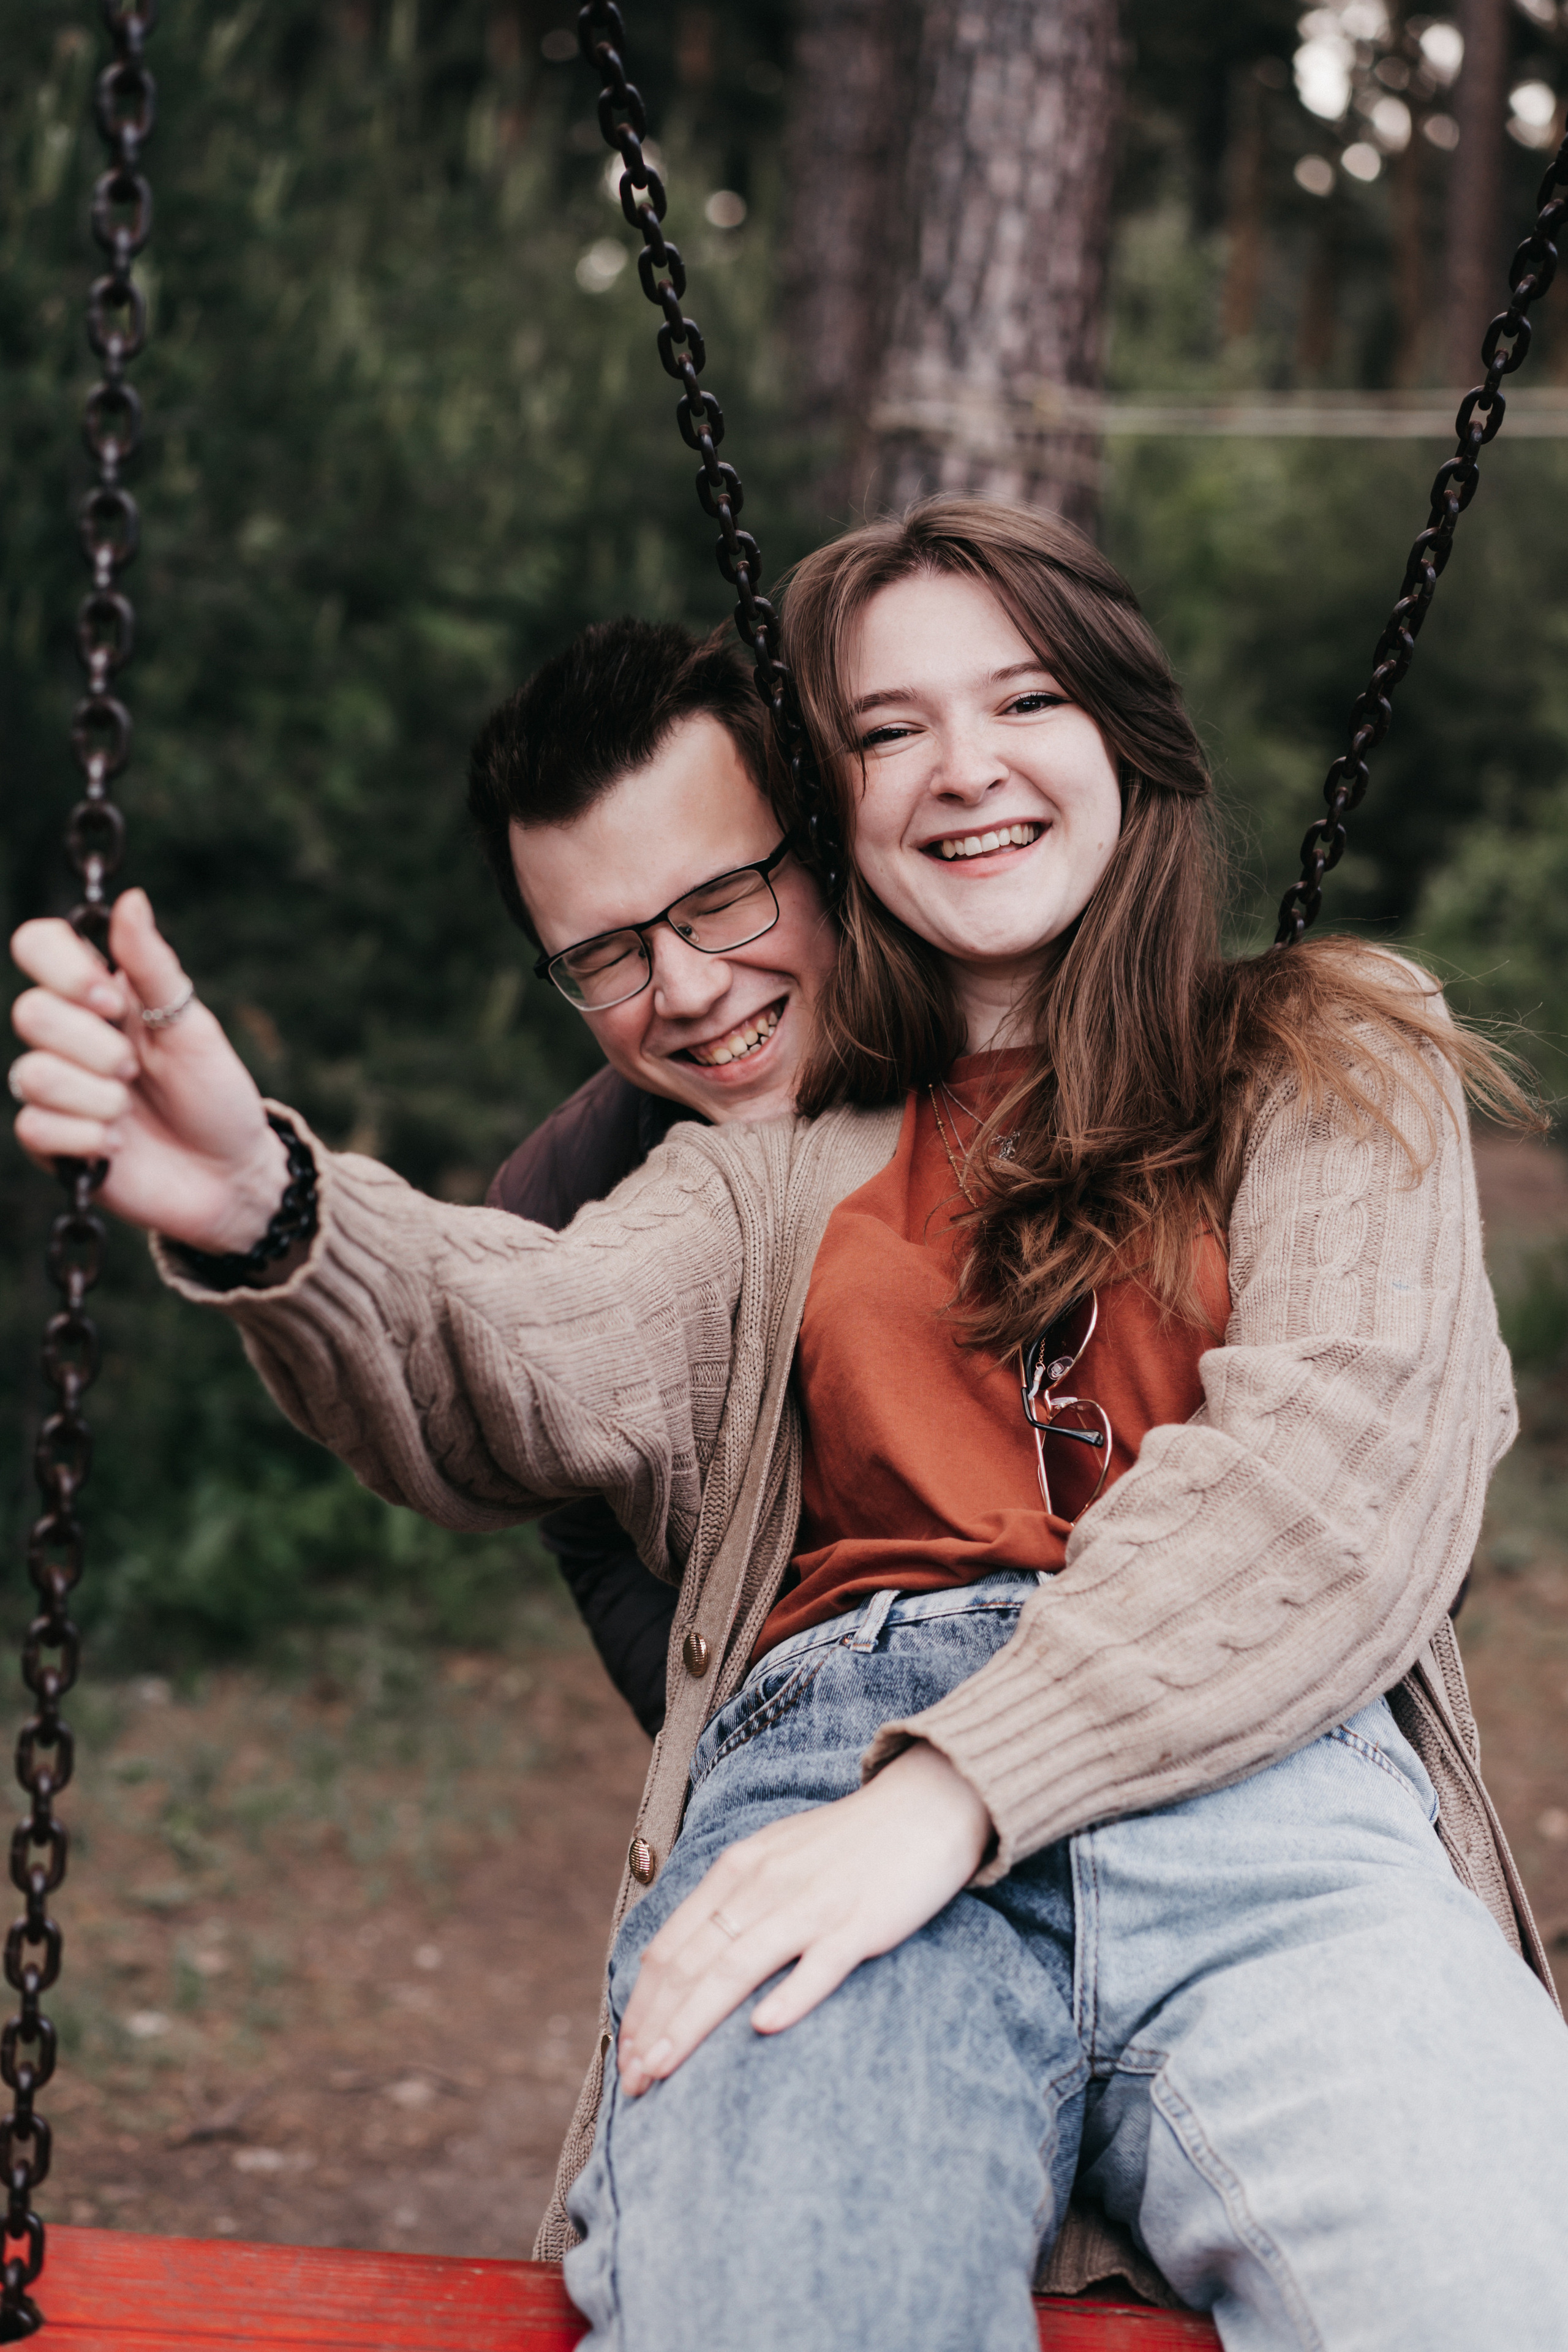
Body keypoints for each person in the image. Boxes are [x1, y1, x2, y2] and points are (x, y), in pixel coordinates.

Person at [12, 496, 1568, 2352]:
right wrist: (276, 1204)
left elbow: (1338, 1469)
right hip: (833, 1783)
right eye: (891, 730)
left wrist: (957, 1792)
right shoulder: (763, 1180)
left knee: (1492, 2290)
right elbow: (526, 1340)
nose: (962, 767)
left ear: (1127, 740)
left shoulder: (1328, 1051)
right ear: (845, 810)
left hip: (1266, 1801)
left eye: (1022, 701)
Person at [468, 616, 839, 1734]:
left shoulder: (1024, 1045)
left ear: (822, 851)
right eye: (605, 954)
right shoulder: (556, 1213)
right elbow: (600, 1548)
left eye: (722, 898)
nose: (684, 989)